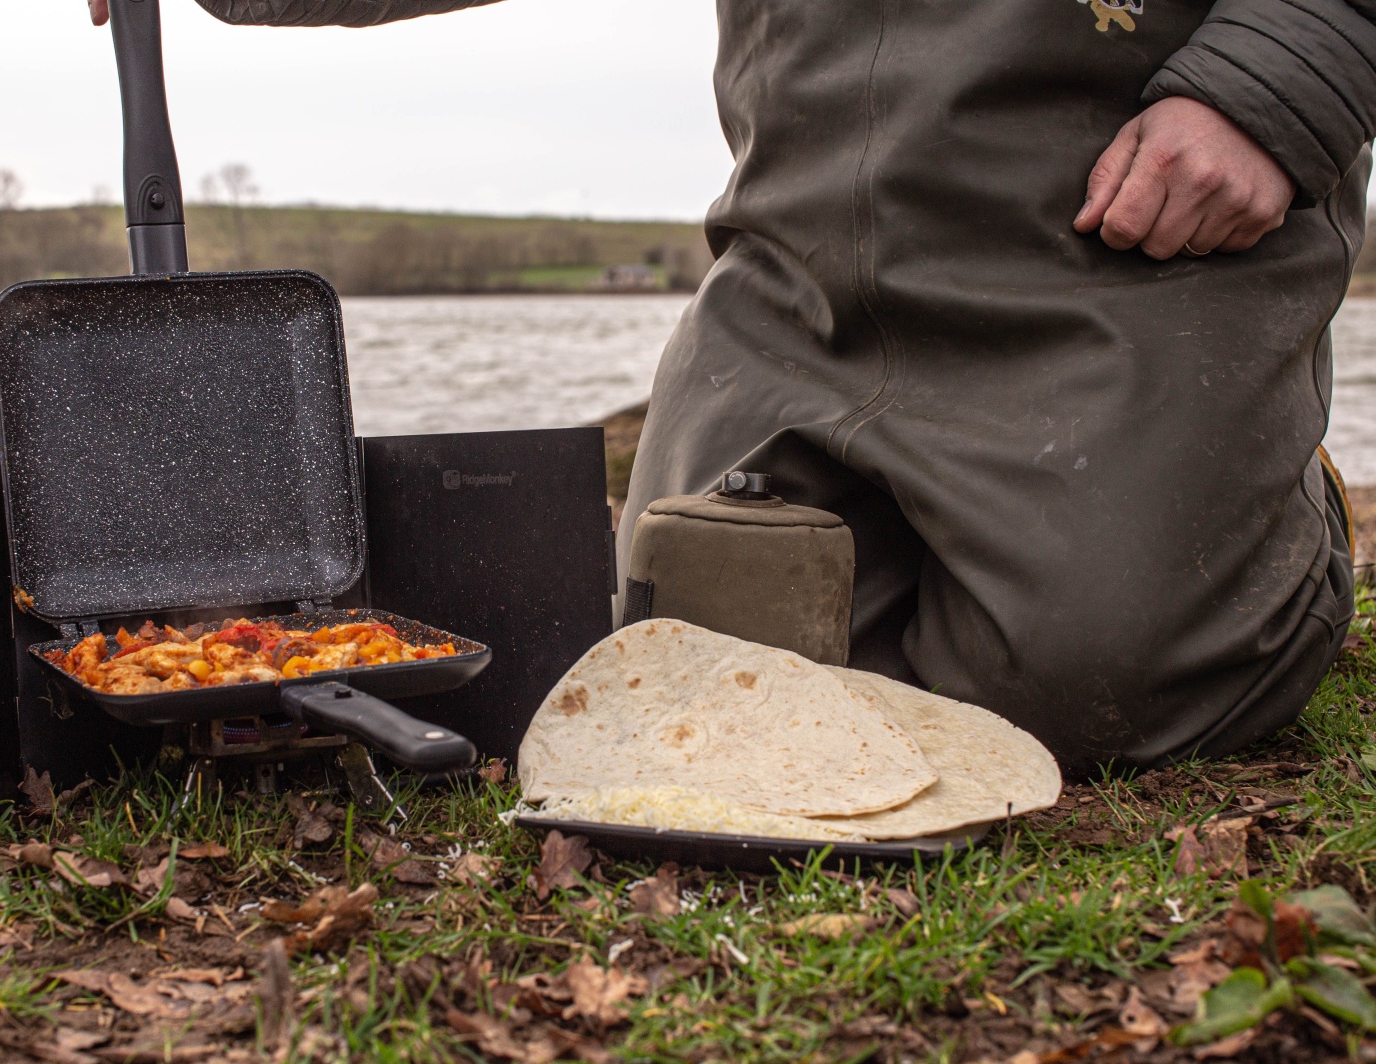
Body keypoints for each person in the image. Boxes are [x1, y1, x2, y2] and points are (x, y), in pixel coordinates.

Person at [94, 0, 1366, 774]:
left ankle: (1276, 515)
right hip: (798, 282)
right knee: (693, 670)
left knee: (1085, 683)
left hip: (1112, 254)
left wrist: (1277, 84)